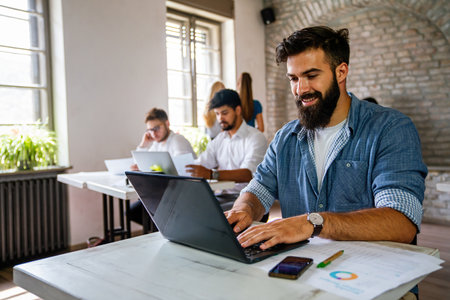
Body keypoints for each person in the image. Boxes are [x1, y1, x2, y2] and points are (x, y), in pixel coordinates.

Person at [226, 26, 427, 253]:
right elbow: (258, 189)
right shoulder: (285, 138)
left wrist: (313, 223)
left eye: (311, 76)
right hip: (302, 271)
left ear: (341, 72)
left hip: (368, 274)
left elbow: (401, 221)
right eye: (293, 78)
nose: (300, 89)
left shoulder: (390, 128)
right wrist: (244, 209)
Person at [186, 89, 267, 210]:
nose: (220, 118)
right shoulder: (220, 139)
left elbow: (248, 174)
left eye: (224, 113)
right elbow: (201, 163)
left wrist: (211, 174)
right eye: (217, 114)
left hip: (249, 200)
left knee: (202, 211)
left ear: (238, 110)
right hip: (222, 197)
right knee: (184, 207)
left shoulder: (256, 138)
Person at [130, 108, 195, 224]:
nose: (153, 133)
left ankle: (163, 229)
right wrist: (144, 144)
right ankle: (160, 229)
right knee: (132, 212)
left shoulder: (177, 140)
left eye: (156, 128)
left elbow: (183, 171)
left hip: (179, 196)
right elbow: (138, 162)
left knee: (141, 211)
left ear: (167, 124)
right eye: (150, 130)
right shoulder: (156, 144)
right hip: (163, 193)